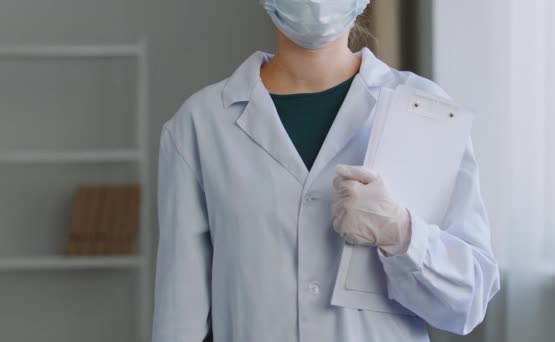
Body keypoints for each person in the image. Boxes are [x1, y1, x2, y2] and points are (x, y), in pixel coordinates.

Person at [152, 0, 501, 341]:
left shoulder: (425, 108)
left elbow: (467, 302)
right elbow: (178, 319)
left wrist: (401, 233)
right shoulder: (199, 126)